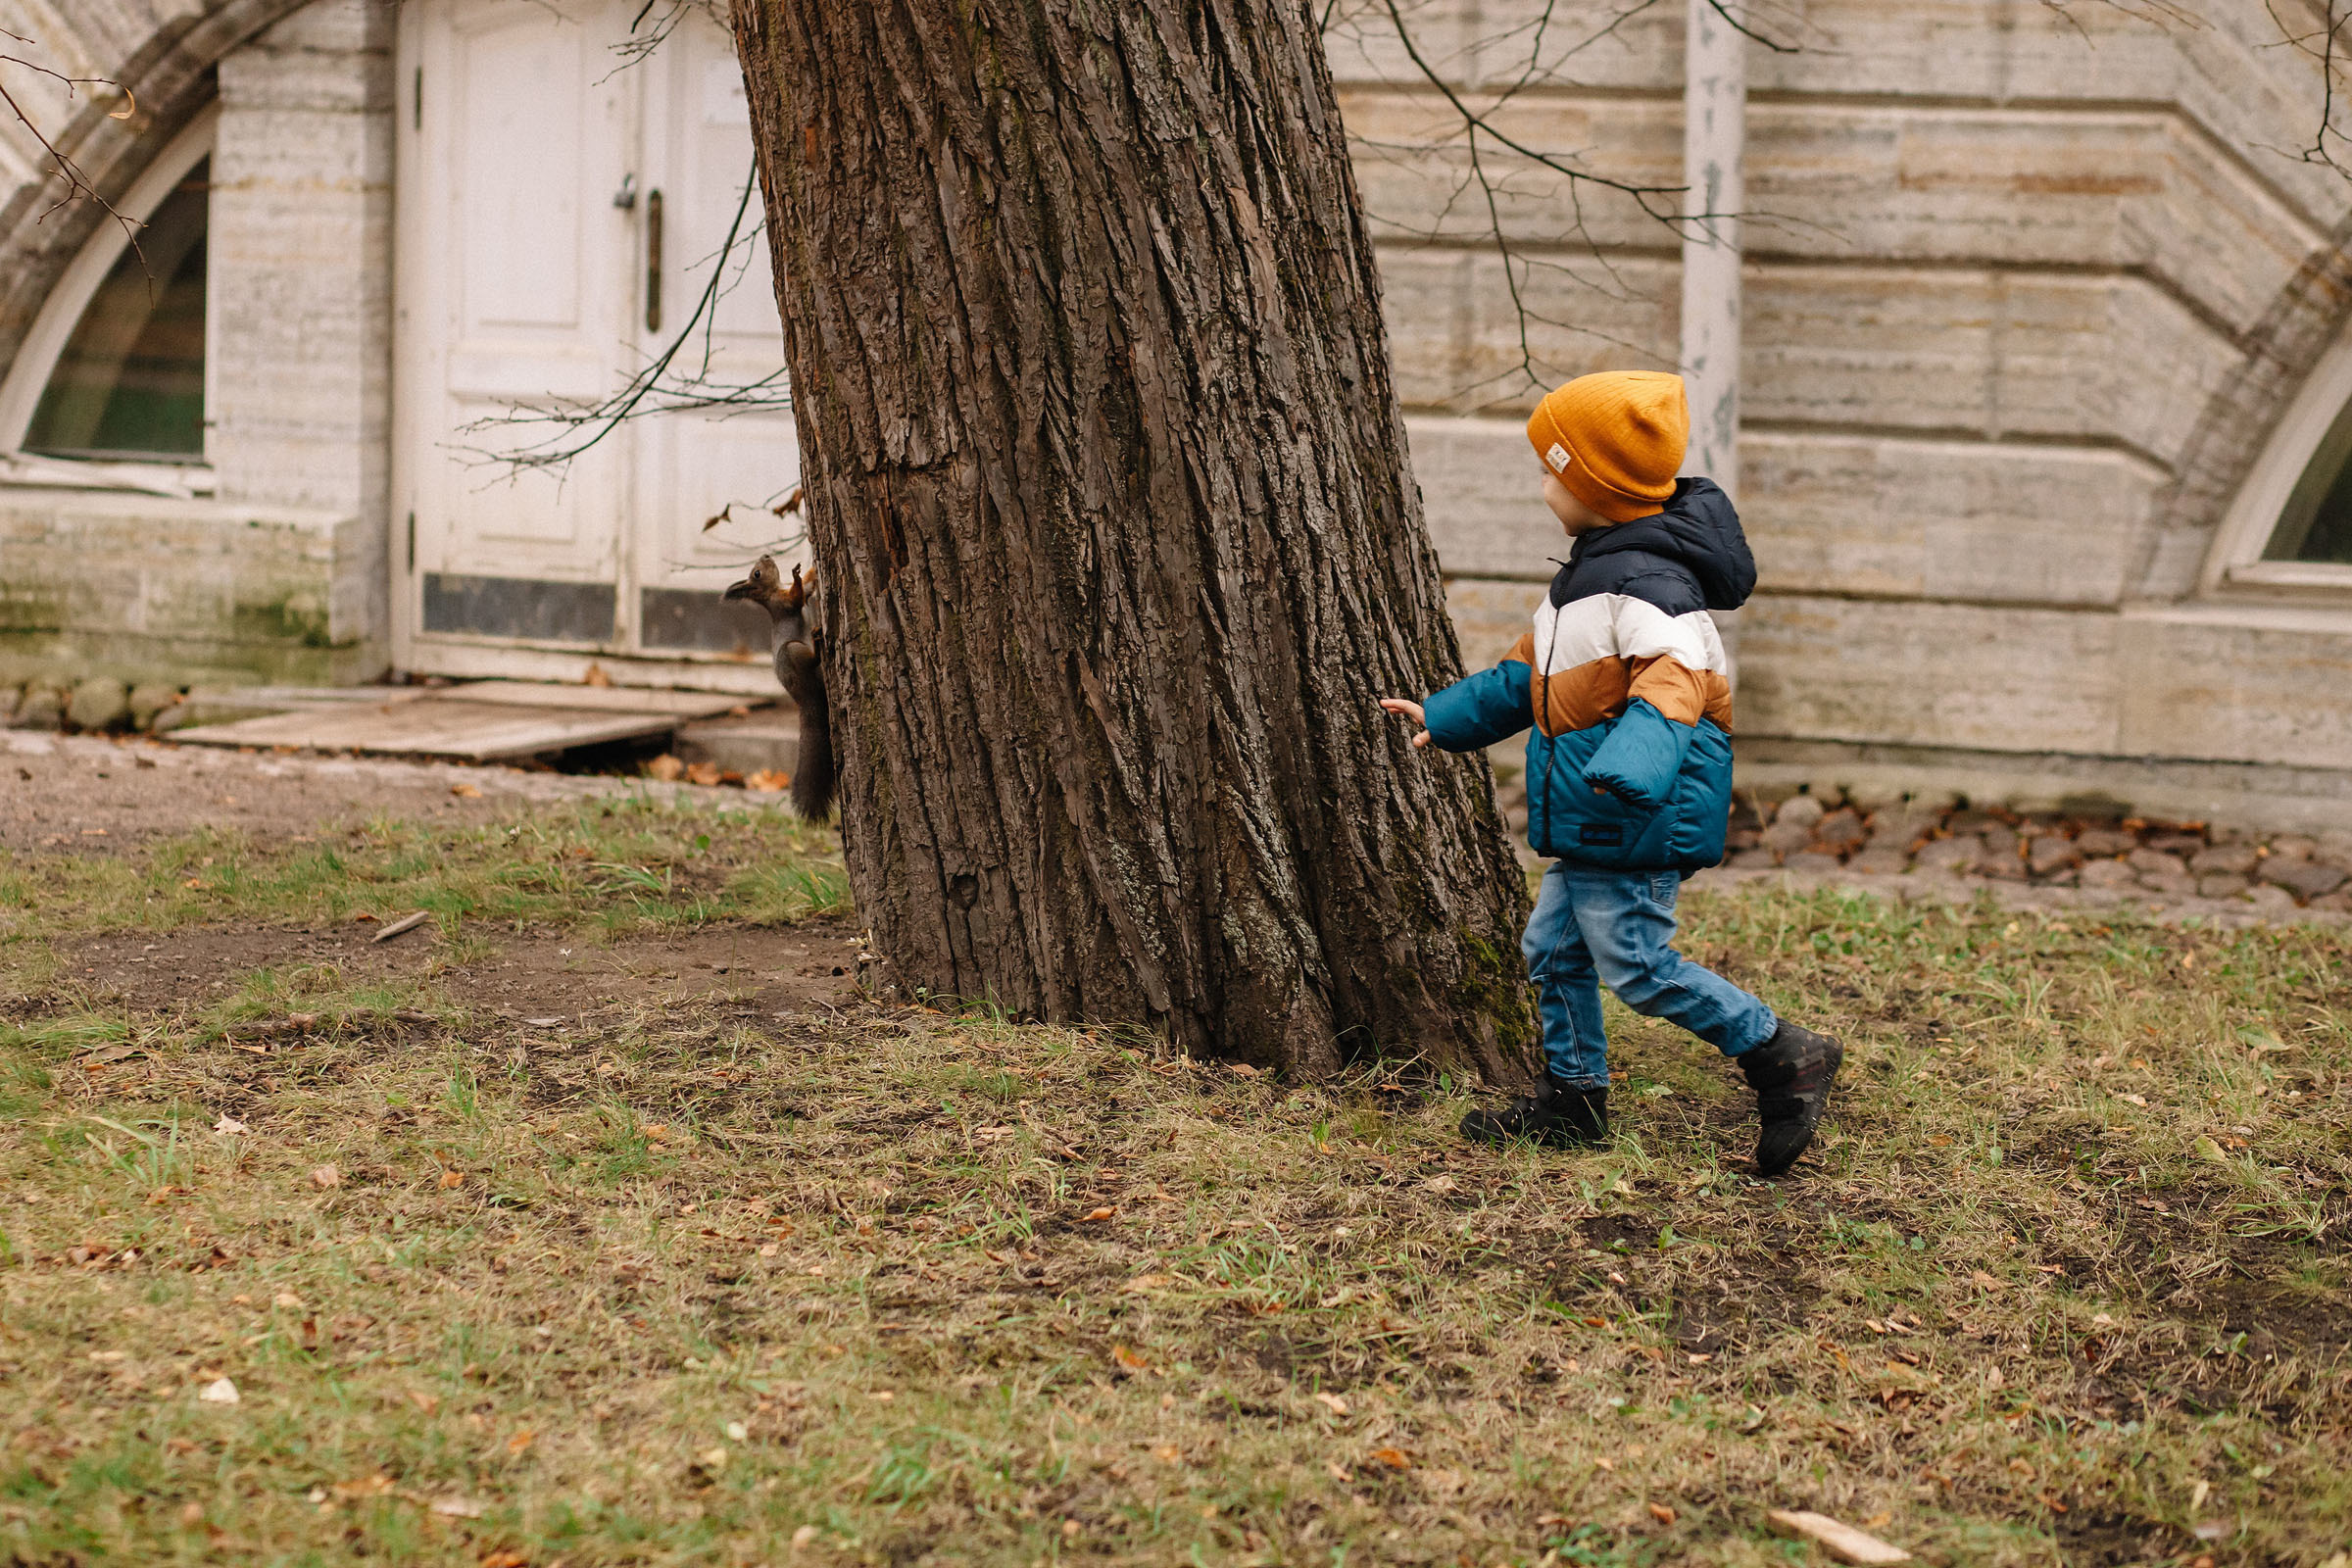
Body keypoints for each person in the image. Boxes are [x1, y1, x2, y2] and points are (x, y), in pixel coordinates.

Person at [1380, 370, 1841, 1176]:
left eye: (1550, 469)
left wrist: (1632, 766)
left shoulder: (1650, 588)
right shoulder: (1585, 584)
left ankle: (1782, 1053)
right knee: (1554, 952)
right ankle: (1574, 1101)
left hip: (1634, 810)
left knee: (1636, 963)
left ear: (1594, 485)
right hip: (1600, 810)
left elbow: (1677, 680)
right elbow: (1528, 677)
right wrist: (1445, 716)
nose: (1542, 484)